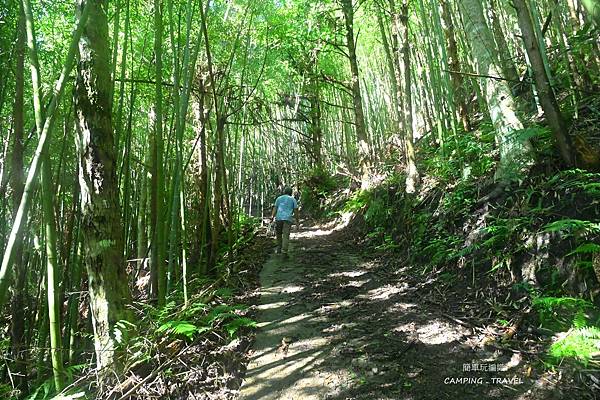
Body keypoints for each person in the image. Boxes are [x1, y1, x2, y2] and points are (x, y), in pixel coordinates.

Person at [271, 187, 299, 257]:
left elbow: (275, 208)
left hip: (279, 218)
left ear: (284, 192)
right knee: (286, 235)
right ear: (291, 192)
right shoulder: (293, 199)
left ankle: (279, 249)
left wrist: (272, 217)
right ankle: (284, 252)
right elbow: (296, 211)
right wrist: (297, 221)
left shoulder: (279, 198)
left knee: (279, 234)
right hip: (288, 219)